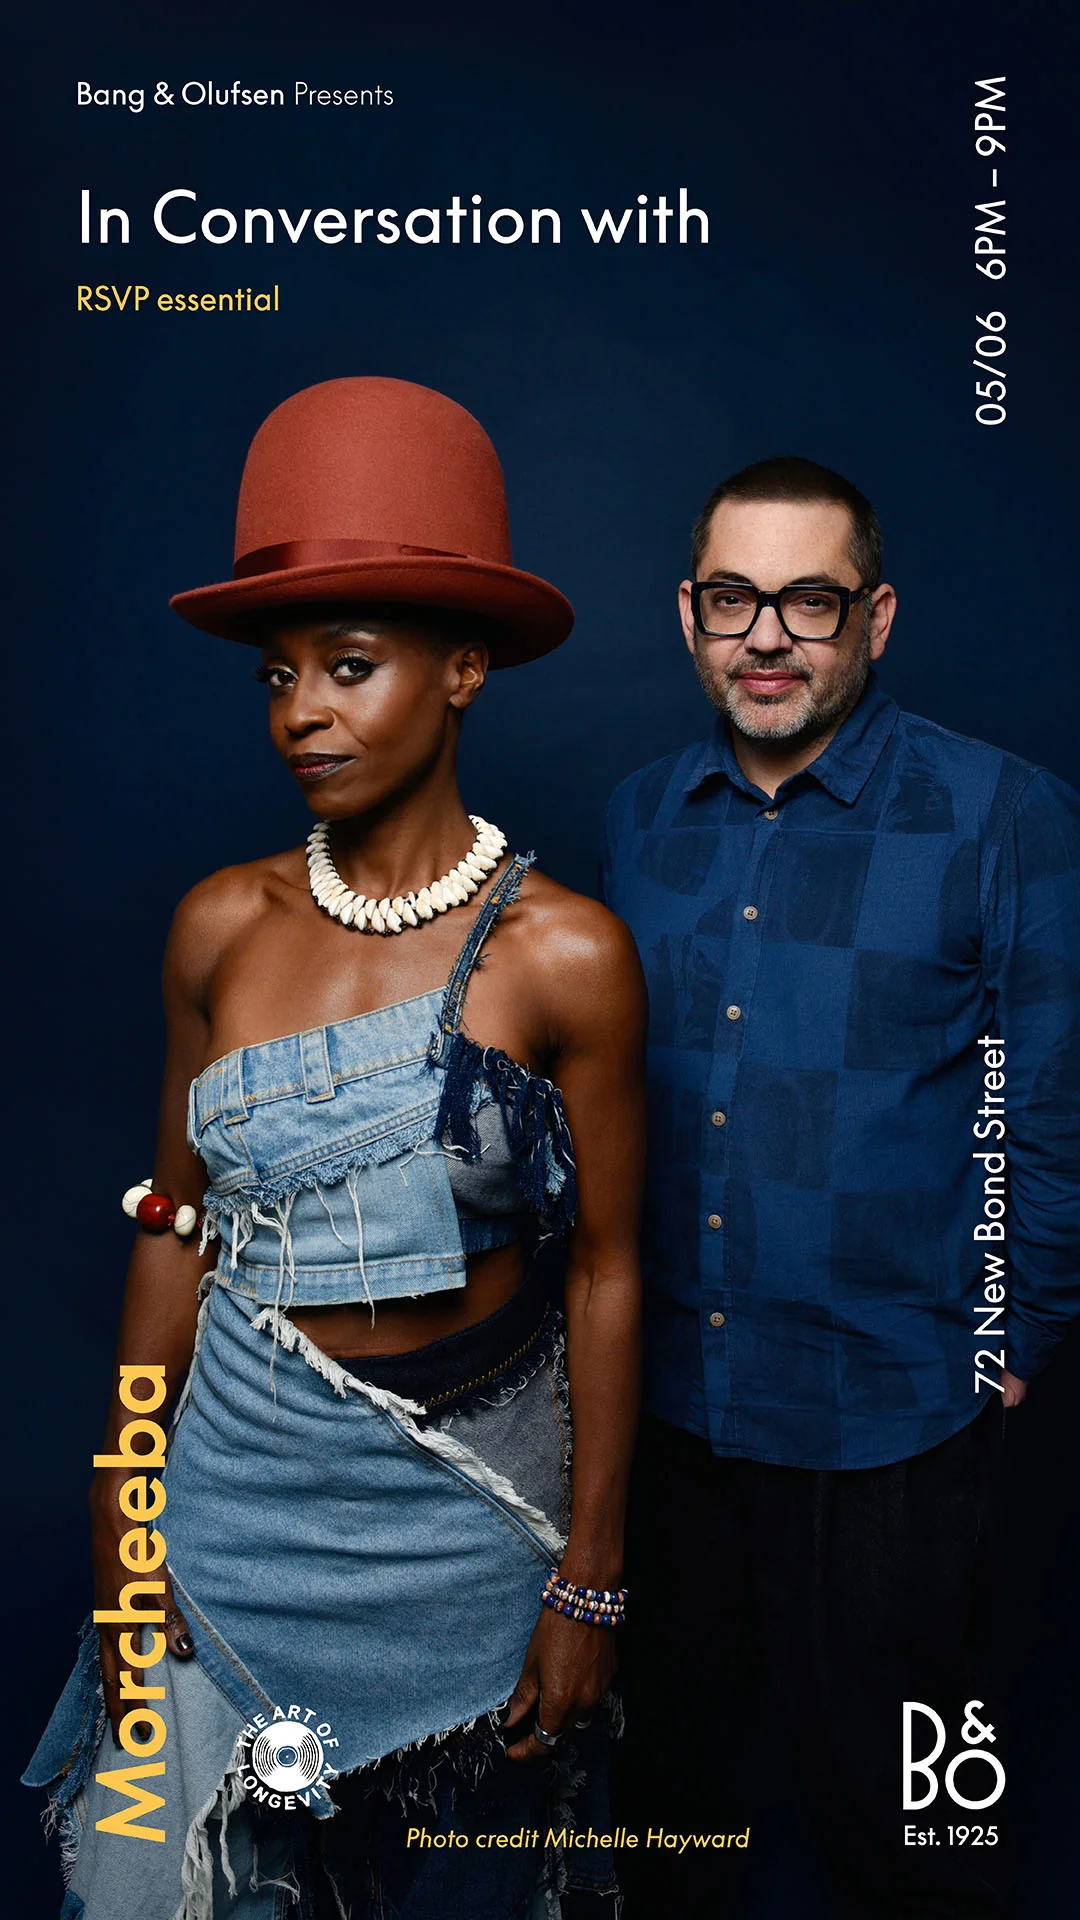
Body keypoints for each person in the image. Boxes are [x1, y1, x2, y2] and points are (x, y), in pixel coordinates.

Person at [25, 377, 645, 1920]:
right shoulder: (220, 928)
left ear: (464, 669)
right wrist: (125, 1499)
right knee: (161, 1880)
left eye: (350, 666)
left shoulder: (566, 957)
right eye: (279, 674)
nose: (301, 710)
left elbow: (612, 1274)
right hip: (226, 1505)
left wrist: (589, 1580)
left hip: (465, 1532)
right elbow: (173, 1226)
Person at [602, 456, 1080, 1919]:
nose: (766, 636)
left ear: (875, 617)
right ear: (688, 613)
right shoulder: (637, 816)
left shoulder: (1006, 813)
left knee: (922, 1839)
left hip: (899, 1426)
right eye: (733, 598)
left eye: (808, 600)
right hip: (671, 1424)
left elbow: (1053, 1105)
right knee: (668, 1816)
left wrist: (1010, 1342)